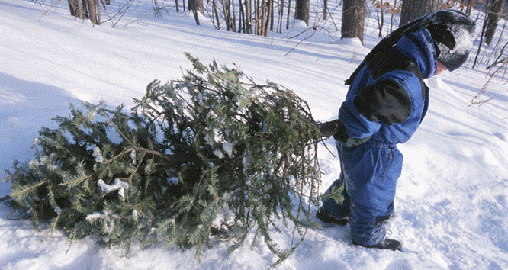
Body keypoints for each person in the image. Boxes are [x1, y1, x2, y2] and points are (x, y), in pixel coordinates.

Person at [317, 10, 475, 251]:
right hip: (374, 147)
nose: (442, 70)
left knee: (352, 180)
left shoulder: (395, 52)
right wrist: (352, 128)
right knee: (373, 193)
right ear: (438, 48)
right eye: (445, 65)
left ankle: (332, 211)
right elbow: (371, 107)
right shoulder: (405, 81)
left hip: (357, 140)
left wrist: (348, 130)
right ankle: (368, 237)